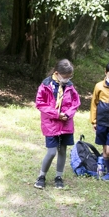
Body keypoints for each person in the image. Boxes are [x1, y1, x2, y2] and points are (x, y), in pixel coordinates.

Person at [34, 59, 81, 189]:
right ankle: (41, 176)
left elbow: (75, 103)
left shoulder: (70, 86)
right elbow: (40, 103)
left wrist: (68, 114)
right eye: (65, 77)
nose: (67, 79)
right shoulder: (46, 85)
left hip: (66, 125)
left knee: (62, 150)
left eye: (69, 77)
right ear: (57, 73)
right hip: (51, 125)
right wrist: (56, 114)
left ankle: (58, 176)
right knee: (51, 152)